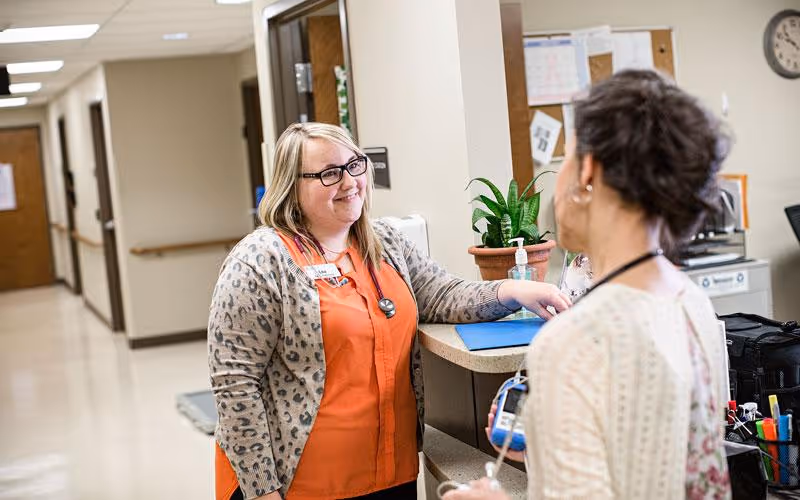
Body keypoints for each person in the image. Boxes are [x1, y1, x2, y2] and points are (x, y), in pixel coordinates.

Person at [208, 122, 571, 500]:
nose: (349, 182)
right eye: (329, 174)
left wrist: (513, 289)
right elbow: (234, 384)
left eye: (355, 165)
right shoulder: (260, 260)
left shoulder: (384, 242)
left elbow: (441, 294)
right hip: (299, 483)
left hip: (388, 474)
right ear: (292, 186)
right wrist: (263, 491)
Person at [444, 70, 732, 500]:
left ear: (588, 172)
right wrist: (552, 447)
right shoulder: (692, 302)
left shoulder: (575, 342)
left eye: (565, 160)